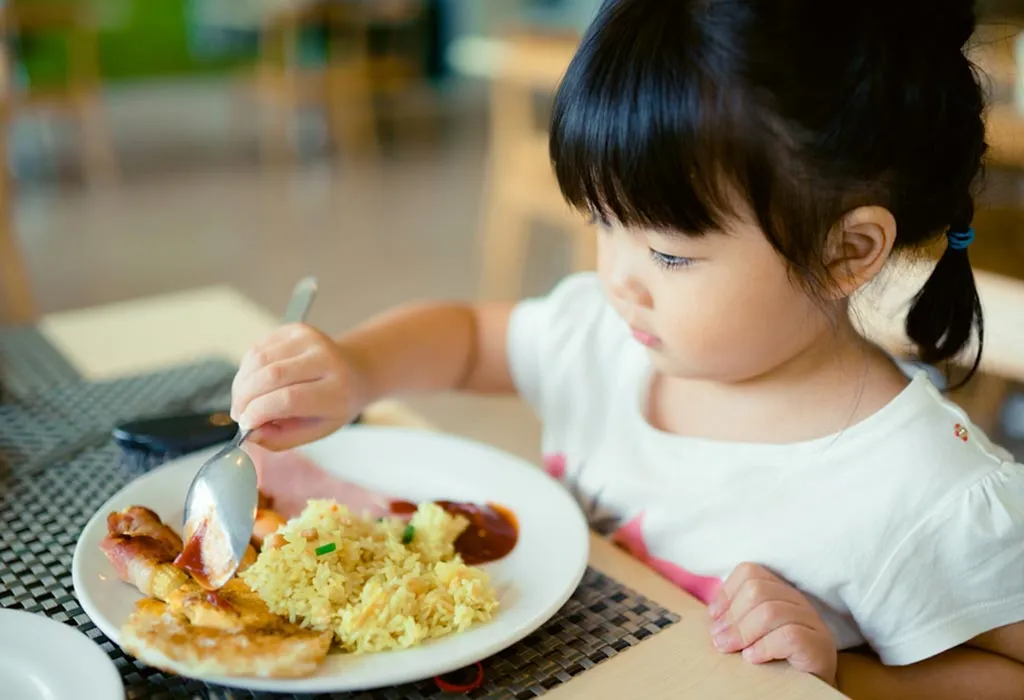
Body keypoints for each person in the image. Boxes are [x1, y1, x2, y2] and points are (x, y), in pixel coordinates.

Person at [230, 0, 1024, 695]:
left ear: (847, 252)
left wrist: (841, 673)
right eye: (602, 223)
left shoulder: (927, 492)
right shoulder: (609, 339)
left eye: (670, 254)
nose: (618, 277)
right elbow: (472, 338)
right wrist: (356, 370)